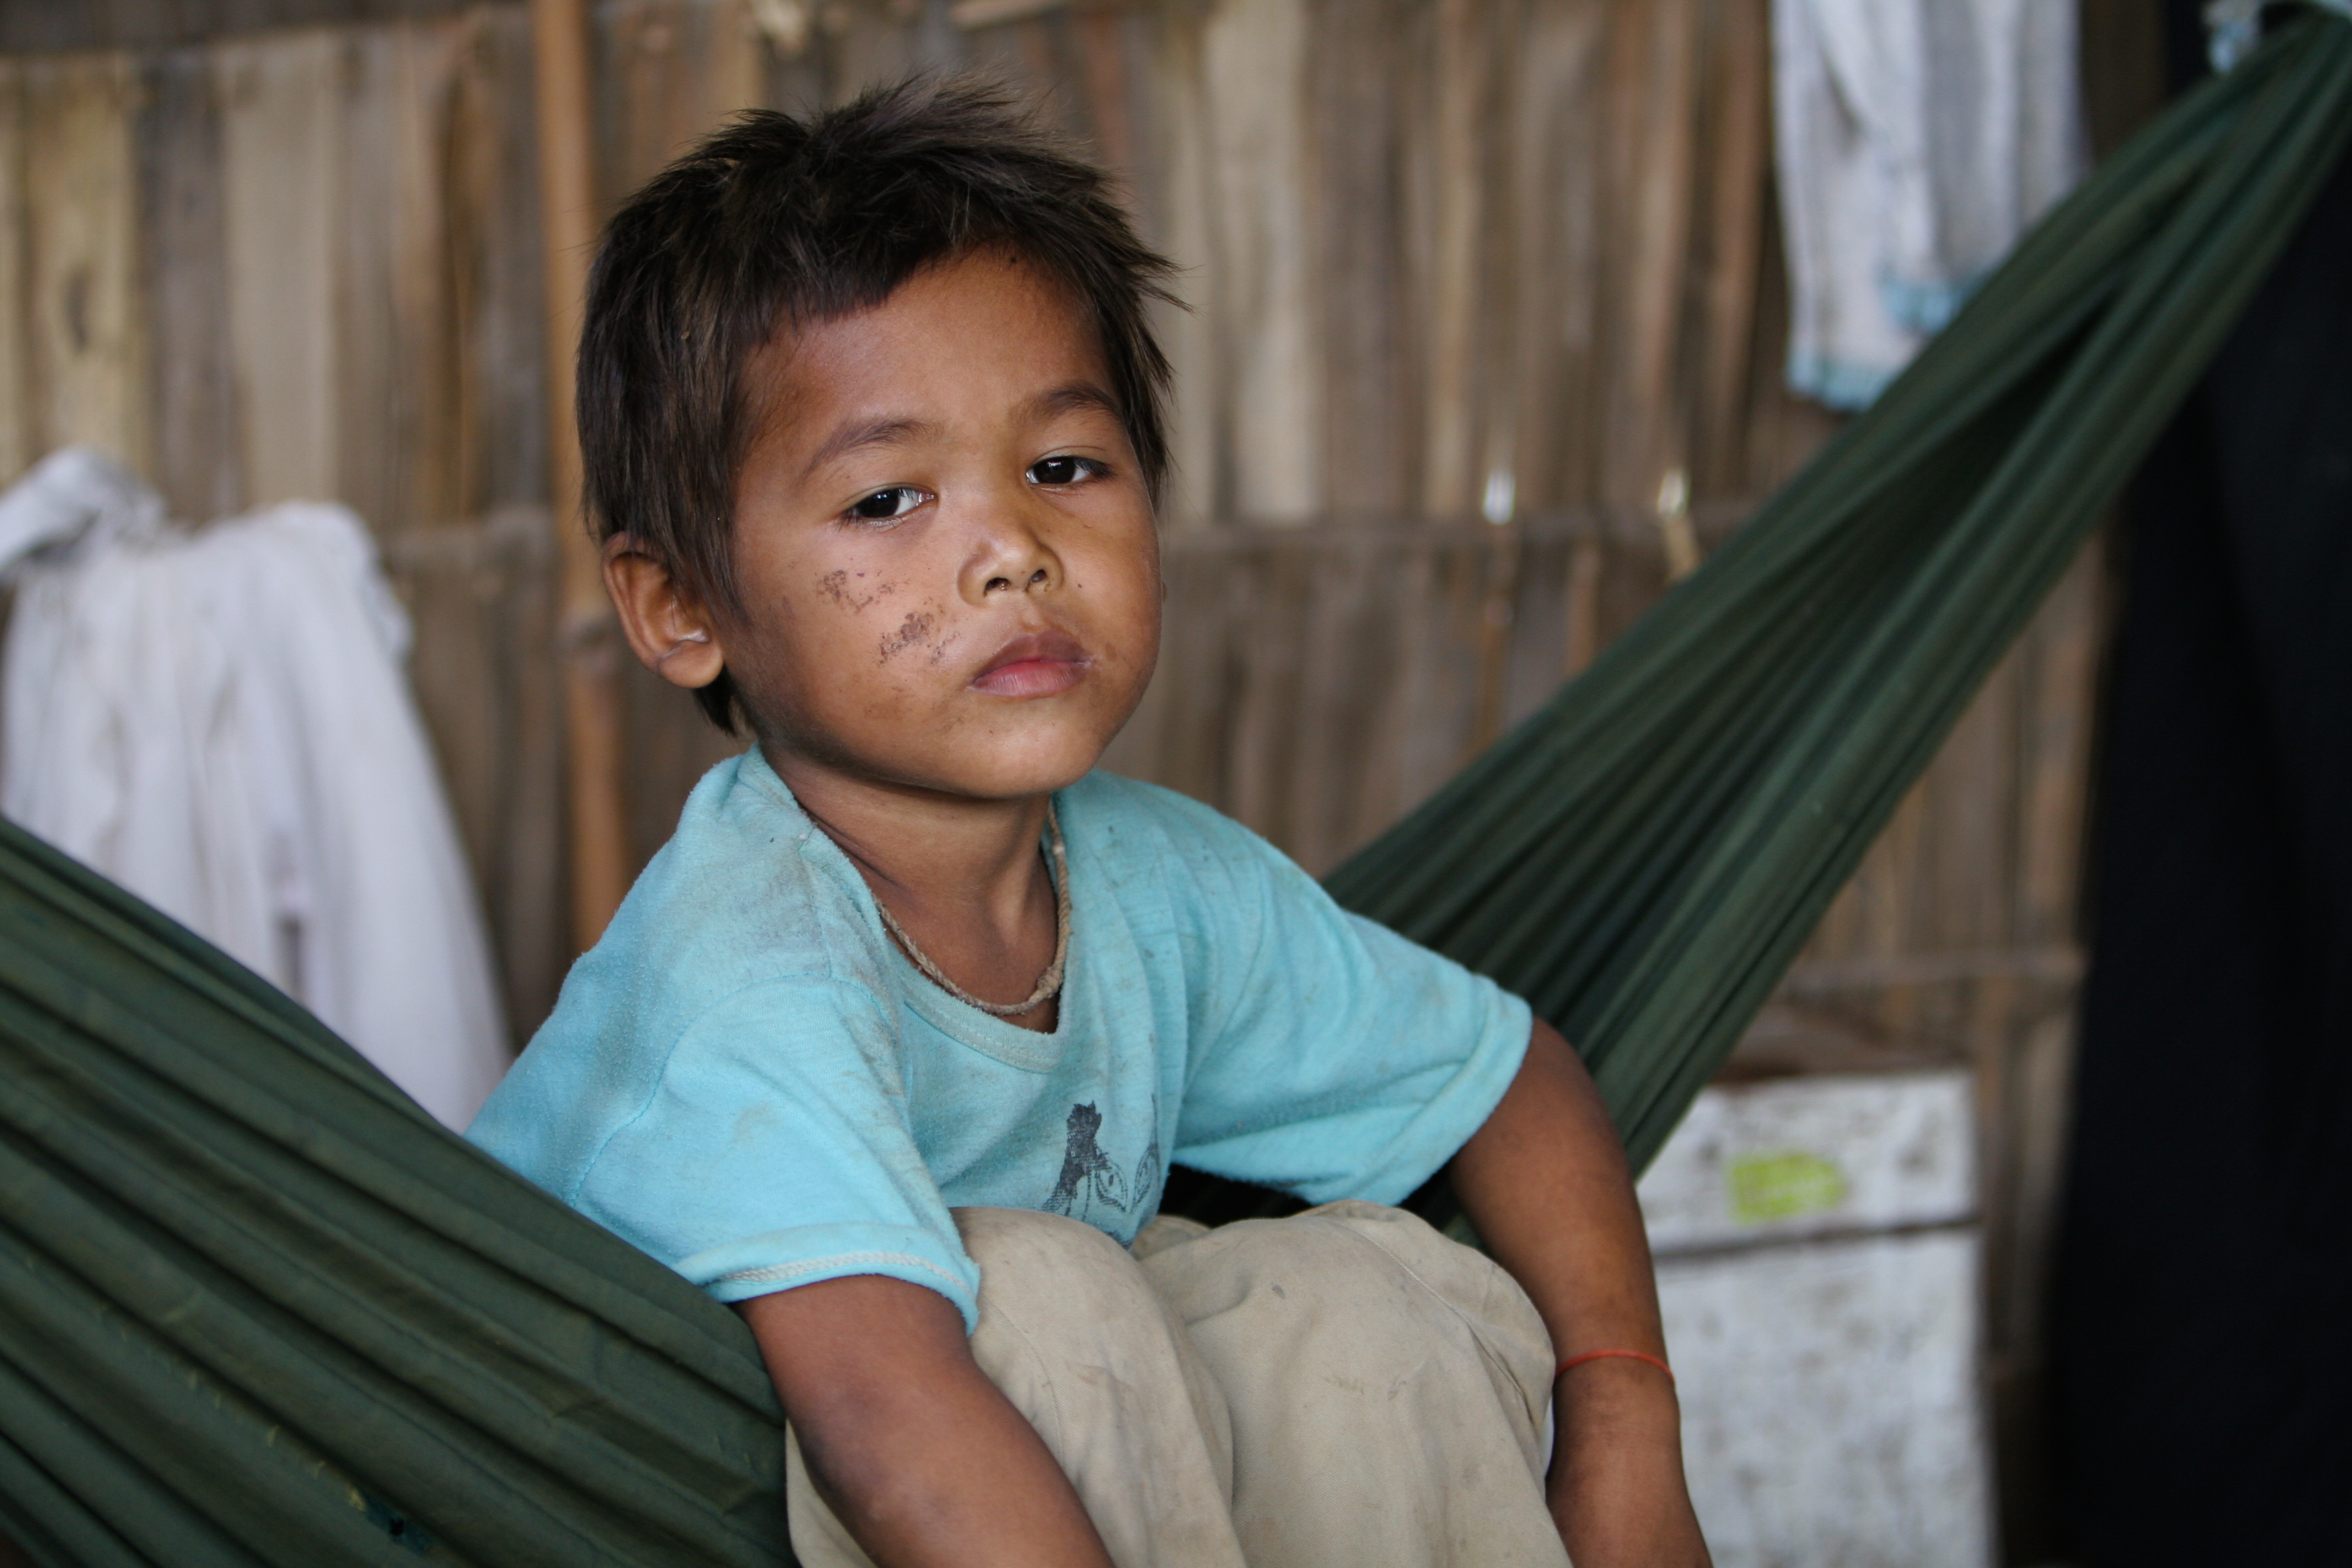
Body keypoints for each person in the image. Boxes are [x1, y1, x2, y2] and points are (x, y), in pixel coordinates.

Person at [469, 75, 1708, 1568]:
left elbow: (1512, 1083)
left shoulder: (1153, 880)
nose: (1013, 552)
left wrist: (1628, 1434)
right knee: (1040, 1302)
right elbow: (894, 1421)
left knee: (1370, 1290)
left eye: (1065, 467)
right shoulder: (745, 972)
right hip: (637, 1498)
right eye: (885, 501)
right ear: (679, 606)